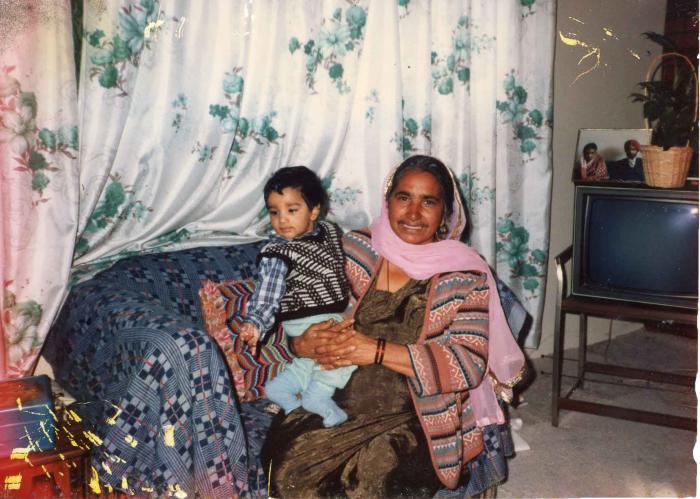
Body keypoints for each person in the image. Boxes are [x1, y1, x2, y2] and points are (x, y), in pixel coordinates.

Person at [261, 155, 526, 498]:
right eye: (404, 198)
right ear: (388, 203)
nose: (413, 213)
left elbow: (468, 364)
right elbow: (284, 319)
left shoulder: (464, 277)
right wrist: (301, 345)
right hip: (335, 400)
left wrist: (376, 351)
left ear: (444, 212)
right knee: (286, 473)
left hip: (414, 413)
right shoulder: (353, 249)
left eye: (428, 201)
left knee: (373, 482)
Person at [239, 166, 355, 427]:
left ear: (314, 211)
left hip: (323, 316)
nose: (282, 220)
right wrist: (255, 324)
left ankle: (286, 398)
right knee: (345, 353)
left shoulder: (329, 233)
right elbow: (267, 295)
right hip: (309, 319)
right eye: (274, 212)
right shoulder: (278, 253)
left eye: (292, 210)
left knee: (310, 363)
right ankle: (318, 396)